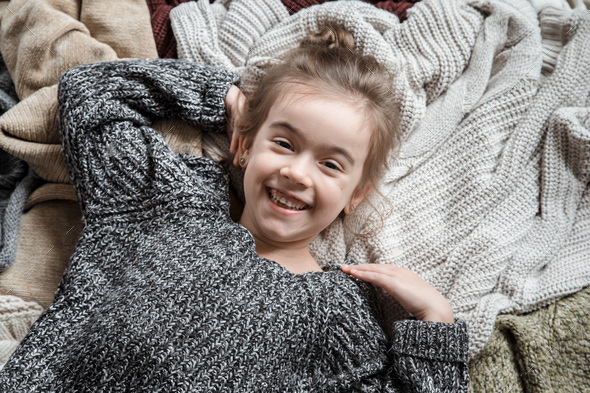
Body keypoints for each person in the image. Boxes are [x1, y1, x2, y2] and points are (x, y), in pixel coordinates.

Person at [0, 25, 468, 391]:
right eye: (284, 143)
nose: (299, 173)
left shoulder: (340, 317)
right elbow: (88, 94)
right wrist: (218, 96)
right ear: (244, 144)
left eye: (330, 164)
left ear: (356, 195)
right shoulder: (165, 200)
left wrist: (436, 327)